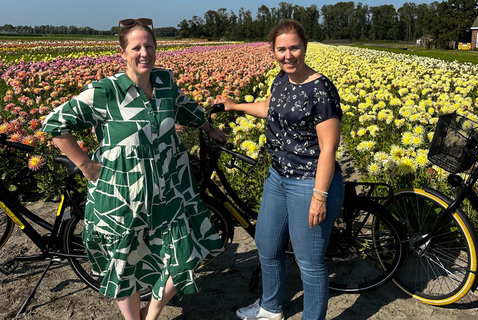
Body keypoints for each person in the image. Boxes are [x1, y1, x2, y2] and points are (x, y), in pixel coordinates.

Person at [41, 18, 225, 320]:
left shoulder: (165, 81)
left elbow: (182, 104)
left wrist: (208, 126)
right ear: (123, 53)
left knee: (185, 254)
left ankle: (151, 314)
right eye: (136, 47)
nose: (144, 53)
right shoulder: (106, 91)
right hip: (122, 196)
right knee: (124, 263)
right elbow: (55, 123)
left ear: (156, 49)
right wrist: (86, 164)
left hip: (170, 189)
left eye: (149, 46)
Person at [217, 19, 344, 320]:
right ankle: (270, 308)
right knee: (266, 244)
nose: (288, 55)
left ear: (305, 47)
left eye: (294, 48)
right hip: (278, 177)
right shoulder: (281, 80)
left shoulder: (321, 89)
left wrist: (320, 196)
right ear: (273, 51)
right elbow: (269, 108)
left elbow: (328, 148)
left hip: (309, 182)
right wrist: (235, 106)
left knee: (309, 261)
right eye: (281, 49)